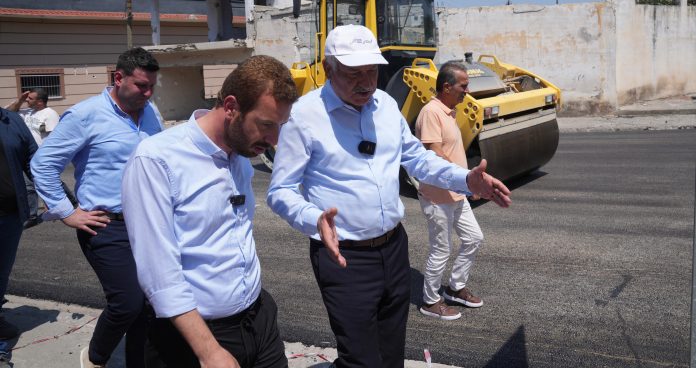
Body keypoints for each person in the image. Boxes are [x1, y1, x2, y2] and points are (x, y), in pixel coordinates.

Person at [267, 24, 512, 368]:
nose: (366, 82)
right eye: (354, 73)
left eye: (371, 71)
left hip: (394, 249)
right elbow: (280, 190)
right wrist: (314, 219)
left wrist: (465, 179)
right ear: (328, 69)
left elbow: (418, 159)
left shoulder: (384, 105)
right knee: (361, 359)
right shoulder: (303, 116)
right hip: (343, 256)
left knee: (392, 352)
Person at [122, 55, 298, 368]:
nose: (274, 140)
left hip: (258, 320)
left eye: (280, 126)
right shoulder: (156, 160)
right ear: (231, 107)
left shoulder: (240, 153)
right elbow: (159, 272)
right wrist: (208, 351)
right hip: (193, 339)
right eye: (266, 125)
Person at [31, 47, 162, 368]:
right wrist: (67, 212)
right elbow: (43, 164)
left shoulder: (151, 111)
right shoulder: (85, 115)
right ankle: (94, 358)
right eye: (141, 86)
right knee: (126, 303)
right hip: (105, 224)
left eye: (151, 87)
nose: (148, 93)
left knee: (150, 304)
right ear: (118, 78)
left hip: (149, 222)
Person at [415, 61, 484, 321]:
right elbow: (434, 152)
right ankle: (430, 301)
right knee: (441, 250)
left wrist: (466, 183)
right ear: (446, 87)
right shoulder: (431, 112)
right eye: (463, 86)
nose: (467, 91)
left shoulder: (449, 112)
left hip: (456, 192)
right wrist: (464, 181)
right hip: (437, 196)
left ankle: (455, 287)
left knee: (474, 238)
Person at [0, 107, 37, 363]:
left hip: (10, 215)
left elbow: (35, 161)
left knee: (1, 273)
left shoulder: (11, 120)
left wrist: (65, 201)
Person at [6, 88, 62, 228]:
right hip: (25, 155)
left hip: (41, 156)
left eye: (30, 98)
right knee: (33, 184)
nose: (27, 100)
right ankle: (34, 214)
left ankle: (37, 213)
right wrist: (20, 100)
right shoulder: (26, 111)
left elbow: (54, 138)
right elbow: (8, 112)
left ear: (40, 102)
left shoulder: (50, 114)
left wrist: (50, 157)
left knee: (39, 183)